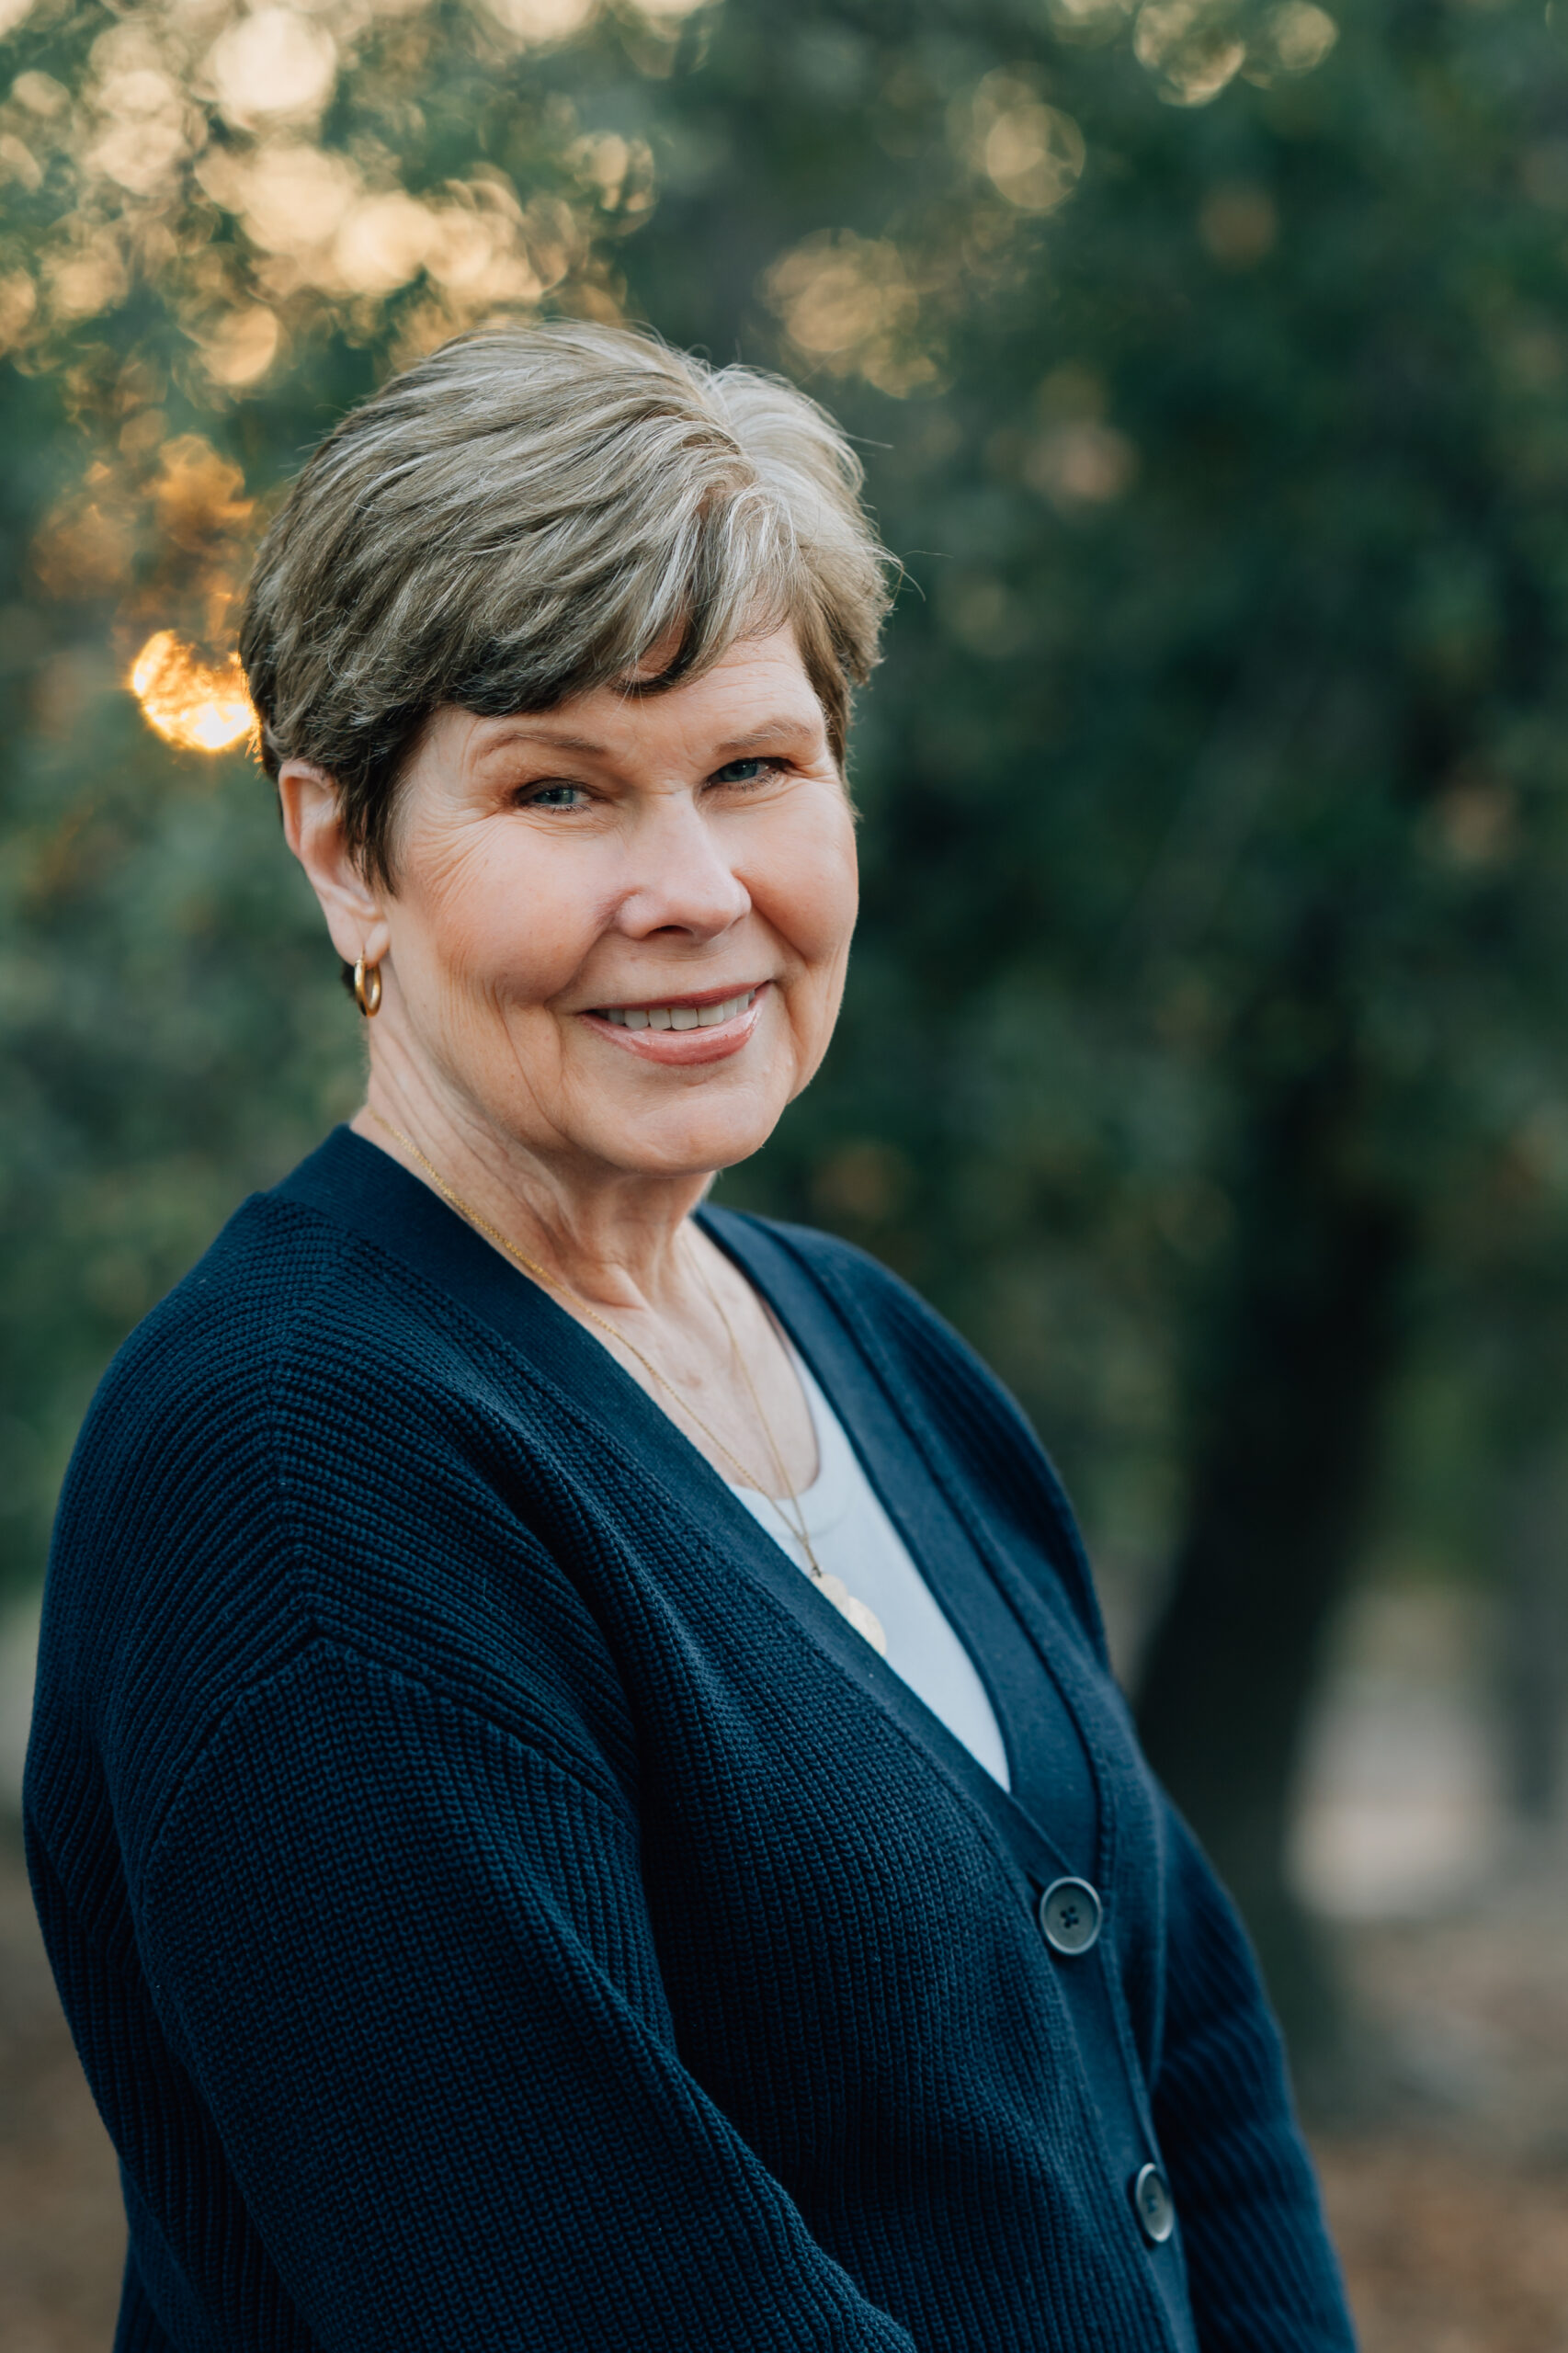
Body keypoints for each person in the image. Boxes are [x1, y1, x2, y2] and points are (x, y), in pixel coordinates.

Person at [25, 322, 1355, 2353]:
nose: (694, 888)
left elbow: (1195, 2072)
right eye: (560, 788)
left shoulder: (870, 1345)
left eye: (753, 767)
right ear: (339, 845)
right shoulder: (299, 1474)